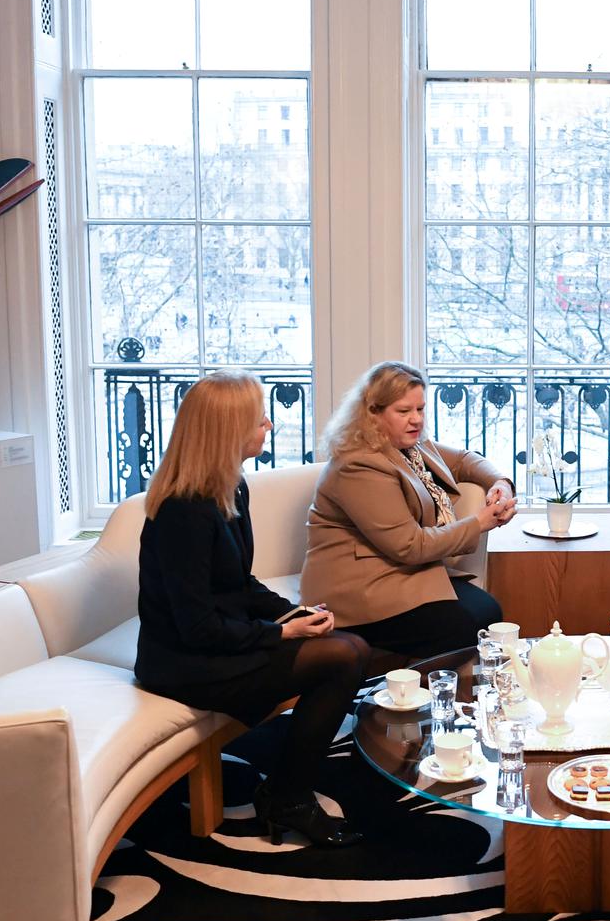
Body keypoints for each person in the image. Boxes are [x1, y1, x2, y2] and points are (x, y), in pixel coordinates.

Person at [134, 370, 370, 848]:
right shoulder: (183, 511)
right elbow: (196, 627)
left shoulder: (230, 488)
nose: (268, 425)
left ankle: (287, 789)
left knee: (349, 646)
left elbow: (240, 584)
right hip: (183, 663)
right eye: (259, 419)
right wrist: (282, 634)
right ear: (228, 431)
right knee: (345, 657)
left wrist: (296, 614)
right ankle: (288, 798)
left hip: (220, 641)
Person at [303, 360, 517, 659]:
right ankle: (421, 687)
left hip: (397, 571)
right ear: (372, 413)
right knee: (467, 624)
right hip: (358, 588)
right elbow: (410, 546)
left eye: (420, 409)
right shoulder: (358, 464)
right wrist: (478, 523)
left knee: (487, 611)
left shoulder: (411, 445)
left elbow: (465, 460)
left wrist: (501, 483)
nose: (416, 419)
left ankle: (435, 683)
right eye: (404, 411)